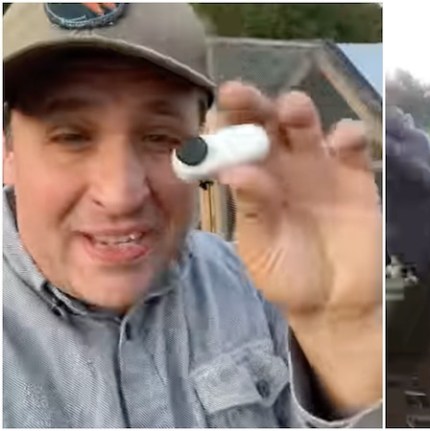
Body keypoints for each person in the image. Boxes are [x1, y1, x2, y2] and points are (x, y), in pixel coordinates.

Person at [2, 3, 382, 427]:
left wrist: (348, 345)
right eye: (71, 137)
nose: (120, 195)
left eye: (160, 137)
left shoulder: (259, 291)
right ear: (8, 152)